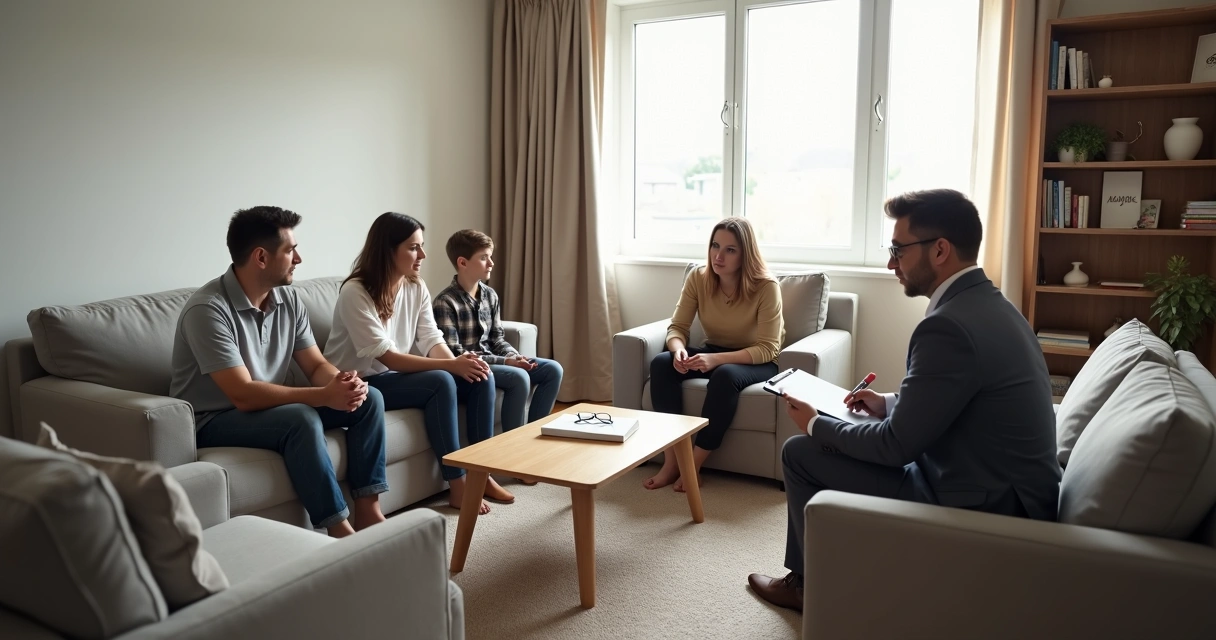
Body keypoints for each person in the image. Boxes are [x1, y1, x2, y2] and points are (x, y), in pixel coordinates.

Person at [748, 189, 1061, 612]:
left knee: (801, 451)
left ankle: (806, 586)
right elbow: (959, 400)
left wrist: (814, 423)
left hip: (978, 502)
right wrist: (888, 403)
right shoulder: (992, 305)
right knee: (847, 431)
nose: (890, 263)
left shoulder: (947, 326)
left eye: (898, 249)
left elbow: (895, 448)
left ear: (940, 250)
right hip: (999, 484)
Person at [171, 206, 387, 538]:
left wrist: (342, 382)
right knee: (300, 418)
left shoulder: (288, 299)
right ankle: (339, 530)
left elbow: (314, 365)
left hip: (269, 406)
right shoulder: (207, 310)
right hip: (214, 419)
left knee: (369, 398)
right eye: (290, 250)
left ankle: (369, 510)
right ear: (261, 257)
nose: (298, 258)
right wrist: (323, 396)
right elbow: (242, 393)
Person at [323, 212, 514, 515]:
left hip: (393, 376)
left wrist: (459, 364)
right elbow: (385, 355)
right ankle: (458, 486)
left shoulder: (415, 286)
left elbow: (430, 338)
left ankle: (481, 474)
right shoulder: (355, 291)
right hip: (363, 381)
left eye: (421, 246)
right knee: (440, 380)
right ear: (388, 250)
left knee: (480, 375)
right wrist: (450, 369)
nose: (423, 254)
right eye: (414, 247)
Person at [645, 217, 785, 493]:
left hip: (758, 361)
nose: (718, 256)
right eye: (715, 246)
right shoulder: (698, 277)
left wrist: (716, 359)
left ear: (745, 254)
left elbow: (769, 348)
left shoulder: (767, 287)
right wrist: (678, 350)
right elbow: (677, 328)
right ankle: (673, 460)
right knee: (661, 364)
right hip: (715, 350)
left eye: (730, 250)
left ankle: (693, 465)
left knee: (724, 375)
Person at [433, 229, 564, 434]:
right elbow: (456, 353)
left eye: (490, 257)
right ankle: (515, 444)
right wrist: (507, 362)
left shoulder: (490, 295)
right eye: (484, 258)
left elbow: (497, 338)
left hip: (494, 359)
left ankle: (535, 434)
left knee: (552, 369)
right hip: (470, 368)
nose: (491, 263)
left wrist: (514, 355)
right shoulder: (445, 302)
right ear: (463, 262)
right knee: (519, 377)